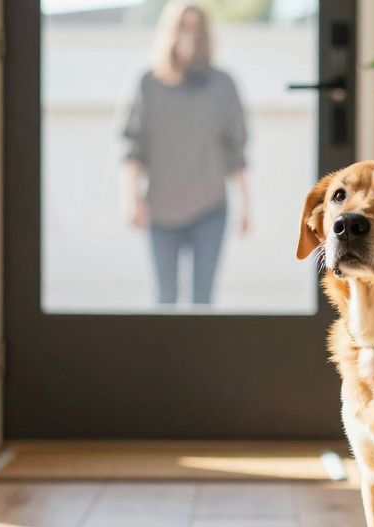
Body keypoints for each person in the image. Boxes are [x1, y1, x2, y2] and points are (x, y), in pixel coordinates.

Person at [121, 2, 250, 307]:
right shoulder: (149, 83)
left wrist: (246, 205)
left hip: (210, 208)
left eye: (196, 27)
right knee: (165, 298)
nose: (189, 35)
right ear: (170, 31)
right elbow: (133, 148)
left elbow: (236, 151)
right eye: (183, 26)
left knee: (203, 300)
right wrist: (131, 199)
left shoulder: (223, 84)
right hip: (161, 209)